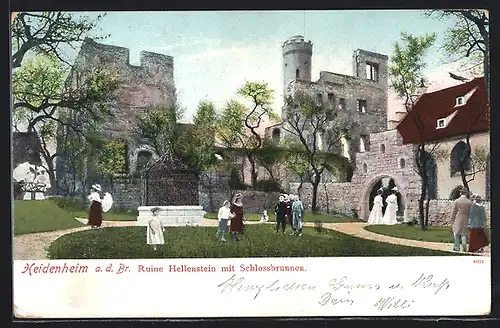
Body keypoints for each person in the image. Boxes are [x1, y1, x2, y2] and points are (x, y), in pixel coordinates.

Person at [450, 187, 472, 252]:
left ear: (460, 193)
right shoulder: (469, 202)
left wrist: (452, 219)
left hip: (458, 218)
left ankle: (457, 247)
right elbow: (471, 212)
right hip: (466, 219)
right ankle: (464, 246)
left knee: (456, 233)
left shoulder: (457, 201)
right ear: (466, 193)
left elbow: (454, 211)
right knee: (464, 233)